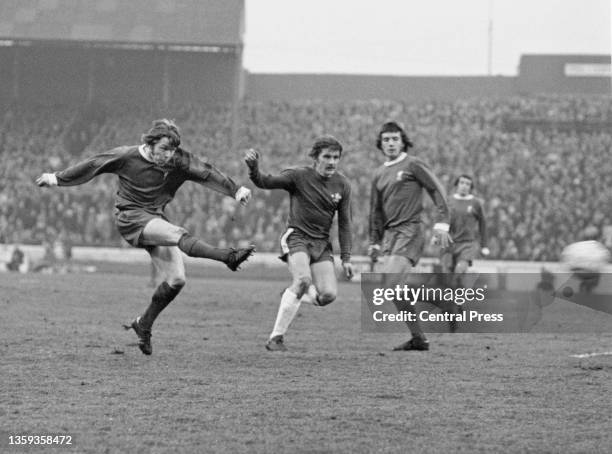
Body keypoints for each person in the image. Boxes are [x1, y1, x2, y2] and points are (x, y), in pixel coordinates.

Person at [36, 119, 255, 355]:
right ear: (149, 144)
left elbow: (207, 172)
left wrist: (236, 190)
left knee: (177, 280)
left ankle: (143, 325)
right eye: (163, 149)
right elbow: (93, 164)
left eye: (172, 150)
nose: (168, 155)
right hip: (131, 218)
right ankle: (227, 257)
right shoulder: (126, 156)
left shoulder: (179, 159)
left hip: (155, 218)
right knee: (178, 234)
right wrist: (57, 178)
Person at [245, 135, 354, 351]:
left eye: (336, 157)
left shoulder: (342, 184)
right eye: (327, 157)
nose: (332, 162)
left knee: (328, 296)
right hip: (297, 238)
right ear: (315, 157)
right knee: (304, 279)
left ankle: (293, 293)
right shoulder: (298, 176)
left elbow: (344, 223)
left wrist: (347, 258)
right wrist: (253, 169)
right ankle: (276, 338)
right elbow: (265, 182)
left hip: (321, 245)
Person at [368, 121, 451, 351]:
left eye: (395, 139)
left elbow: (436, 189)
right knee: (394, 289)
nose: (391, 143)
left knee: (389, 283)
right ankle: (419, 338)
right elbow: (375, 211)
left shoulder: (413, 165)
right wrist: (374, 241)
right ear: (380, 144)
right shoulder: (379, 174)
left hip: (411, 230)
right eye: (386, 139)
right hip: (390, 236)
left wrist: (443, 222)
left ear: (403, 141)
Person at [440, 174, 489, 287]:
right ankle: (453, 301)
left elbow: (483, 224)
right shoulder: (448, 201)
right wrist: (436, 235)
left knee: (459, 271)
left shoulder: (476, 203)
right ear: (457, 184)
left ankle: (458, 300)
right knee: (448, 277)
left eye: (468, 184)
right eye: (462, 183)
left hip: (467, 245)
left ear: (471, 187)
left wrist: (484, 245)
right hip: (449, 244)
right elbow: (441, 219)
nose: (464, 186)